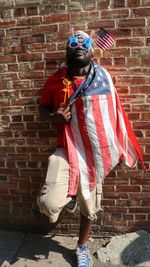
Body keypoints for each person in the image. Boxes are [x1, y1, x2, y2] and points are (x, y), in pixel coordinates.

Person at [37, 30, 145, 267]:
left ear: (92, 51)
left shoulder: (101, 77)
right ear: (67, 51)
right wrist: (53, 117)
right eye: (73, 43)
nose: (79, 46)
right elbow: (42, 107)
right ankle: (69, 195)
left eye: (84, 43)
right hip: (66, 149)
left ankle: (81, 247)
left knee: (89, 208)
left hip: (94, 154)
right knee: (48, 204)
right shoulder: (55, 81)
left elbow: (112, 112)